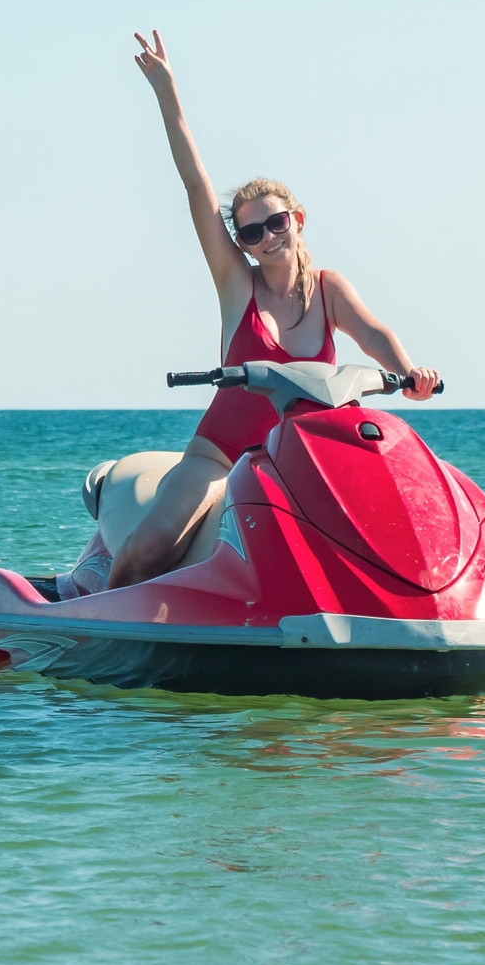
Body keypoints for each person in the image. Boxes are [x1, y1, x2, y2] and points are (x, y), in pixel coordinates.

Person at [105, 30, 439, 590]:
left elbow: (373, 333)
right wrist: (167, 93)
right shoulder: (237, 283)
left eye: (276, 222)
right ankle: (103, 619)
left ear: (297, 221)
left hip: (302, 459)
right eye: (252, 230)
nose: (266, 236)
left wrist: (409, 373)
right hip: (222, 453)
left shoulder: (331, 289)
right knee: (151, 549)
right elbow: (195, 186)